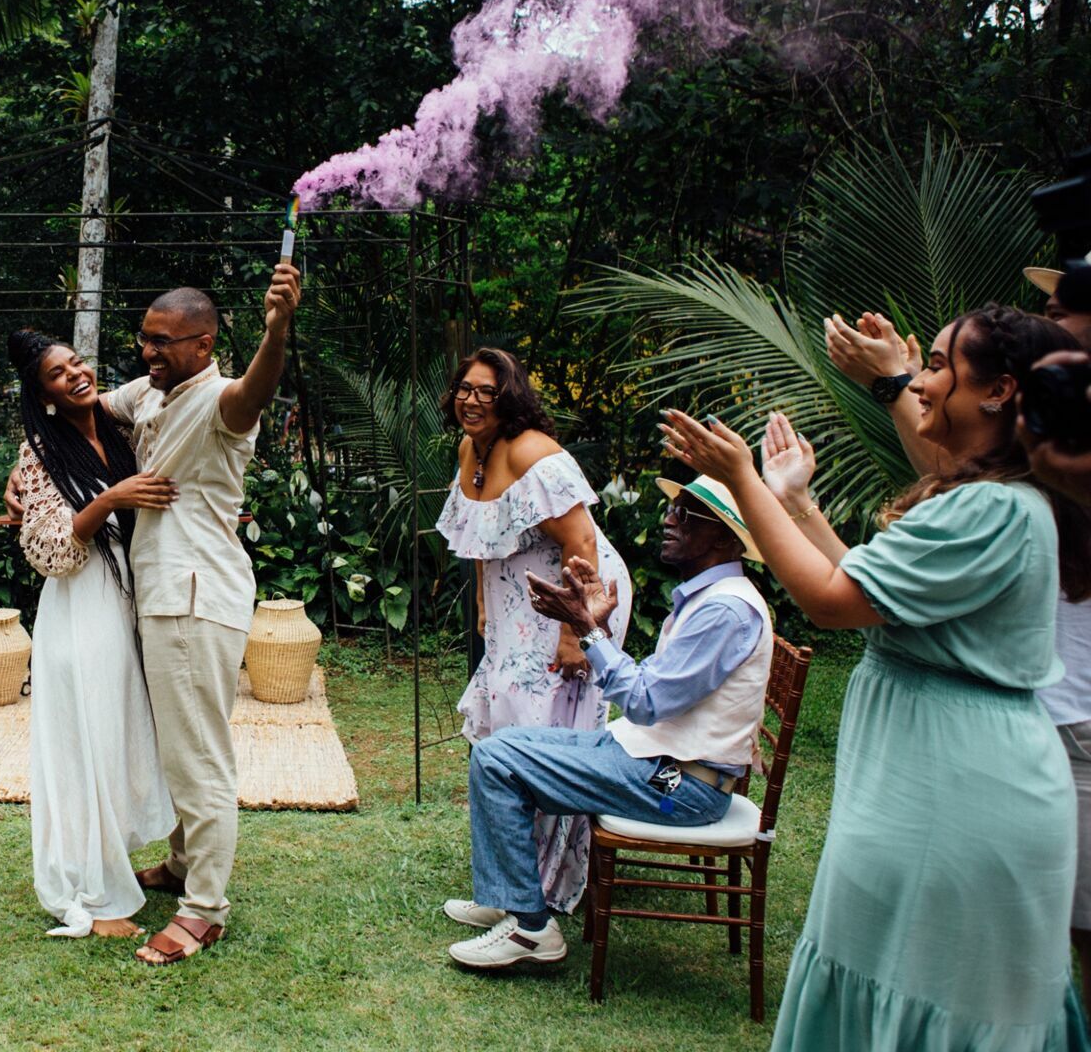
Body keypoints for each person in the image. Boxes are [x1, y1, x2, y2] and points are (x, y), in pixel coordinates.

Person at [664, 303, 1091, 1049]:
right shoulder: (980, 500)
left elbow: (831, 602)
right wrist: (794, 501)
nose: (918, 384)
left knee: (932, 1000)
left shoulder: (993, 509)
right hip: (929, 777)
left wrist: (741, 480)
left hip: (961, 793)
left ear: (998, 392)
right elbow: (871, 593)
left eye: (937, 367)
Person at [827, 277, 1091, 1003]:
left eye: (1070, 300)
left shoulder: (1046, 454)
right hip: (1013, 714)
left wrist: (899, 385)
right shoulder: (1032, 443)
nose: (1052, 309)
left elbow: (972, 491)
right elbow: (966, 478)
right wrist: (909, 389)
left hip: (1066, 714)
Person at [39, 264, 299, 964]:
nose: (148, 351)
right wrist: (26, 470)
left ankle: (204, 910)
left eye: (163, 342)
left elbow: (254, 390)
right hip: (157, 596)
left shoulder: (220, 400)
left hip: (193, 598)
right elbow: (76, 412)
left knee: (198, 757)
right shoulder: (149, 393)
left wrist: (277, 330)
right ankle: (184, 863)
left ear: (203, 344)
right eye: (145, 338)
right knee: (177, 745)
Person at [443, 474, 771, 969]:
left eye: (685, 514)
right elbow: (656, 689)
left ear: (725, 539)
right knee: (501, 747)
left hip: (679, 785)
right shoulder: (712, 599)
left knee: (497, 760)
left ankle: (531, 930)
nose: (669, 519)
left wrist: (586, 628)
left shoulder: (726, 611)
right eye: (672, 509)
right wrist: (594, 626)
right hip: (656, 758)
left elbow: (644, 700)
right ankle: (509, 894)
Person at [434, 347, 634, 914]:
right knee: (506, 722)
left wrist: (576, 635)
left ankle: (539, 889)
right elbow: (480, 533)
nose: (471, 401)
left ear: (510, 398)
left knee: (542, 730)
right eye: (465, 388)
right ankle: (510, 883)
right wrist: (482, 601)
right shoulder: (471, 448)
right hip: (517, 606)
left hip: (576, 601)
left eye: (486, 391)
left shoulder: (530, 452)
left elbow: (583, 543)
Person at [8, 329, 178, 938]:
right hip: (81, 608)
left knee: (121, 735)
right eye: (58, 374)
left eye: (77, 362)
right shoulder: (38, 451)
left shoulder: (118, 425)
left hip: (128, 597)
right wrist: (111, 498)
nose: (75, 374)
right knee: (86, 746)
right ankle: (95, 894)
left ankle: (124, 860)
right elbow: (48, 549)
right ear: (44, 396)